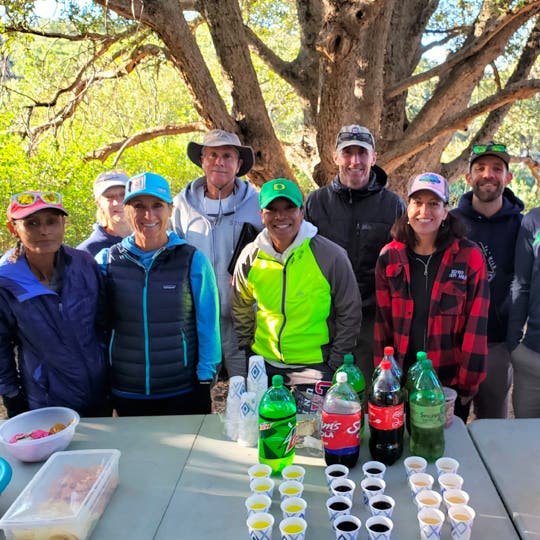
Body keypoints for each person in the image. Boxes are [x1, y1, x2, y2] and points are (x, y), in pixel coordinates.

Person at [96, 172, 221, 416]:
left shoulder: (192, 259)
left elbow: (208, 324)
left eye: (157, 206)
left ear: (170, 209)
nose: (148, 215)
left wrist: (206, 379)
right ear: (127, 210)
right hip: (126, 389)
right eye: (138, 206)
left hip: (182, 389)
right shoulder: (107, 261)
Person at [231, 178, 362, 400]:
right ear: (262, 215)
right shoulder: (250, 256)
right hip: (265, 367)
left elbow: (350, 311)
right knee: (269, 432)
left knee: (313, 434)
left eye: (289, 208)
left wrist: (335, 362)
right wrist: (249, 347)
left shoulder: (330, 256)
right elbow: (240, 303)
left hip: (316, 368)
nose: (280, 216)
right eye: (272, 209)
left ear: (301, 212)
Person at [374, 173, 489, 423]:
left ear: (446, 211)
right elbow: (383, 325)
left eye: (434, 204)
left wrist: (468, 384)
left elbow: (476, 326)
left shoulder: (469, 256)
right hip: (401, 382)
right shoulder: (389, 257)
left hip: (448, 383)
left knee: (445, 451)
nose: (424, 211)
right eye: (417, 202)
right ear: (408, 208)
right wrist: (384, 378)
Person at [305, 125, 405, 382]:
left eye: (362, 153)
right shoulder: (315, 203)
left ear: (373, 157)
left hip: (371, 321)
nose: (355, 161)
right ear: (335, 157)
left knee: (367, 392)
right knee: (324, 391)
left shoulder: (392, 206)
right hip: (323, 318)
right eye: (347, 153)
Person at [0, 191, 110, 417]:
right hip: (48, 400)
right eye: (31, 223)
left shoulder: (84, 264)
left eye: (52, 221)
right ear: (14, 229)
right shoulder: (7, 281)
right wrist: (11, 396)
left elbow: (104, 322)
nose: (44, 230)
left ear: (63, 224)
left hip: (100, 390)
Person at [172, 130, 261, 379]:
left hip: (243, 323)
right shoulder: (181, 206)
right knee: (196, 396)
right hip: (195, 323)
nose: (219, 162)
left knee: (246, 393)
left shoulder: (257, 205)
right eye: (212, 154)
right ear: (202, 159)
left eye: (227, 156)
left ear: (239, 163)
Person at [451, 143, 523, 419]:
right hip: (453, 343)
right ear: (468, 178)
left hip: (497, 344)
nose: (488, 174)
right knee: (450, 426)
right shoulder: (451, 222)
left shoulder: (522, 225)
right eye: (480, 168)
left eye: (496, 169)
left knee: (494, 427)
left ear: (508, 177)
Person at [507, 205, 540, 417]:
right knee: (526, 441)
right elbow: (521, 283)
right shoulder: (534, 220)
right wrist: (514, 342)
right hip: (532, 358)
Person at [77, 170, 132, 256]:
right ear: (99, 203)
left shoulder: (152, 241)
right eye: (109, 196)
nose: (118, 202)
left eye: (123, 194)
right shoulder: (86, 252)